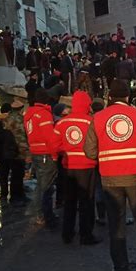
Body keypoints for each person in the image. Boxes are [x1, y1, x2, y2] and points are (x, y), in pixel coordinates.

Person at [84, 79, 136, 271]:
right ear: (128, 96)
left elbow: (90, 152)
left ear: (110, 97)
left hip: (110, 179)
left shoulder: (98, 118)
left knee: (116, 226)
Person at [54, 91, 102, 245]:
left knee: (70, 201)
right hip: (87, 167)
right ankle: (85, 234)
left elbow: (54, 145)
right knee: (86, 201)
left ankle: (67, 234)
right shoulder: (91, 122)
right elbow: (97, 144)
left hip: (68, 167)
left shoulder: (62, 122)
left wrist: (65, 152)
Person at [24, 88, 61, 229]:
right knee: (46, 187)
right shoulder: (44, 114)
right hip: (45, 153)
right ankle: (45, 215)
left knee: (41, 185)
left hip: (35, 152)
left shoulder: (30, 114)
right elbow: (49, 138)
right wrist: (55, 154)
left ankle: (41, 213)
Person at [2, 100, 30, 205]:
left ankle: (18, 195)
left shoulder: (5, 119)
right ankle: (16, 197)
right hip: (20, 150)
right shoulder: (21, 120)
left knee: (15, 173)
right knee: (18, 174)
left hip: (9, 150)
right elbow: (24, 136)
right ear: (21, 109)